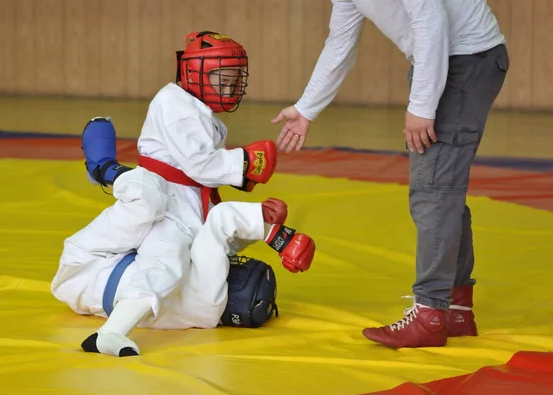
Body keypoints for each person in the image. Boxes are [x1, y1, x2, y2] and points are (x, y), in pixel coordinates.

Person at [270, 0, 509, 348]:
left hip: (464, 59)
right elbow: (340, 42)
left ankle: (430, 314)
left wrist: (422, 107)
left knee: (434, 191)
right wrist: (306, 108)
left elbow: (431, 20)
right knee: (442, 189)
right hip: (454, 60)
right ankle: (455, 309)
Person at [55, 31, 280, 355]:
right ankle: (112, 332)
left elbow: (201, 169)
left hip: (182, 203)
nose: (229, 88)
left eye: (234, 81)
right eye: (222, 80)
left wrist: (246, 188)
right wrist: (244, 162)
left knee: (197, 252)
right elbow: (201, 164)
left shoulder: (200, 111)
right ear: (194, 73)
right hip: (163, 202)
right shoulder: (174, 103)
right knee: (167, 260)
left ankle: (104, 168)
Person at [52, 196, 316, 357]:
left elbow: (221, 221)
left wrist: (276, 235)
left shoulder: (208, 290)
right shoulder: (205, 312)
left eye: (243, 271)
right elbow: (215, 246)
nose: (238, 267)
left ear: (236, 283)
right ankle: (111, 331)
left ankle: (110, 333)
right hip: (94, 293)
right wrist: (253, 228)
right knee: (169, 248)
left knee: (166, 239)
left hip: (91, 282)